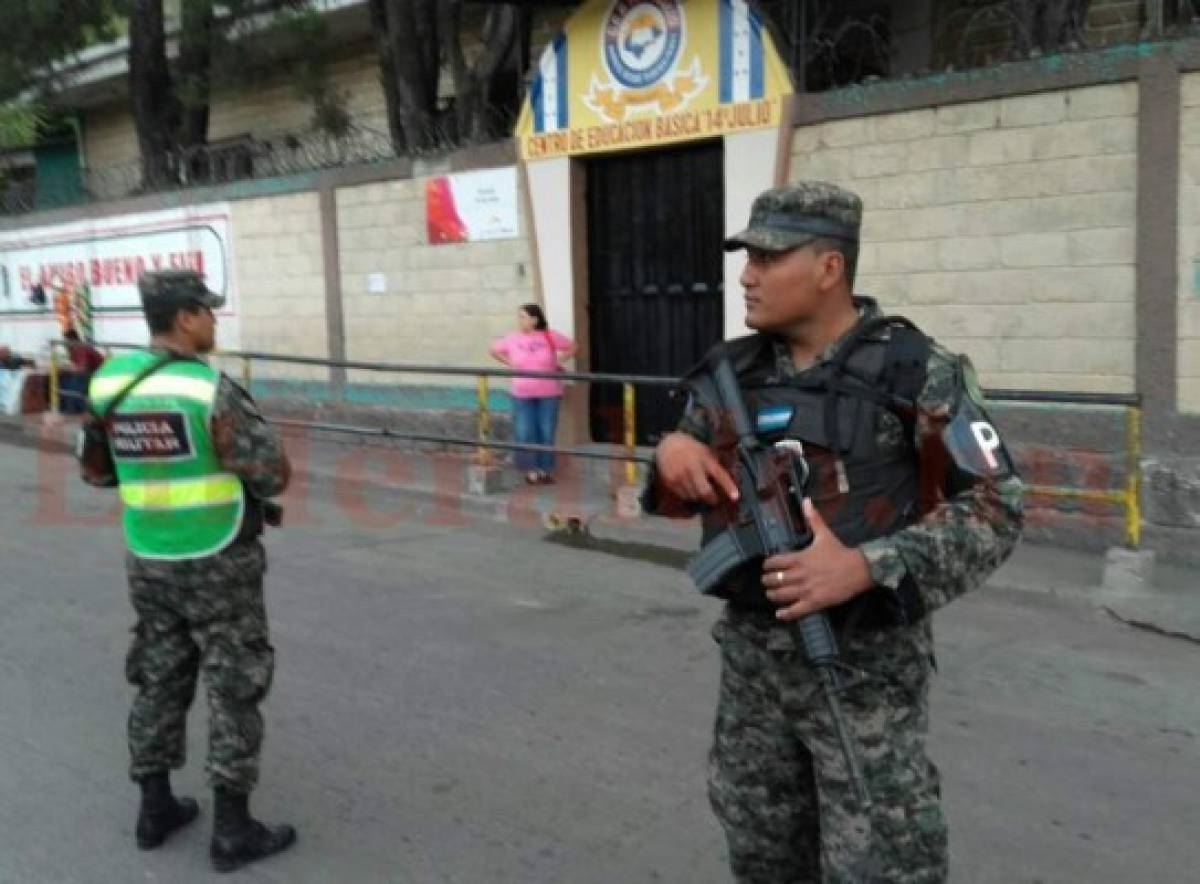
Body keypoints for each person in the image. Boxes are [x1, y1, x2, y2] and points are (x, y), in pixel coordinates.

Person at [644, 182, 1025, 883]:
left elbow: (997, 506)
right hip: (754, 674)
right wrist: (671, 452)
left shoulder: (919, 372)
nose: (746, 276)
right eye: (746, 257)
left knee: (882, 862)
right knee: (761, 850)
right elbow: (674, 484)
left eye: (768, 257)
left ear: (829, 269)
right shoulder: (732, 373)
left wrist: (869, 565)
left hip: (863, 673)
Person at [84, 269, 296, 872]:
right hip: (218, 556)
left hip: (149, 556)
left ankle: (155, 809)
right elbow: (270, 474)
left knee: (159, 676)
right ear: (183, 317)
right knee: (234, 684)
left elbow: (95, 472)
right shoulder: (208, 390)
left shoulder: (110, 381)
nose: (213, 319)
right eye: (206, 310)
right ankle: (233, 829)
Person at [489, 303, 576, 484]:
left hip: (548, 393)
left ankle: (544, 469)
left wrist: (559, 360)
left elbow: (573, 346)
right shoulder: (513, 338)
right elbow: (494, 350)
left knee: (546, 431)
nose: (520, 321)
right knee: (524, 431)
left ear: (535, 319)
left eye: (523, 316)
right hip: (522, 393)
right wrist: (510, 362)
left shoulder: (549, 336)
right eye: (519, 317)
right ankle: (530, 470)